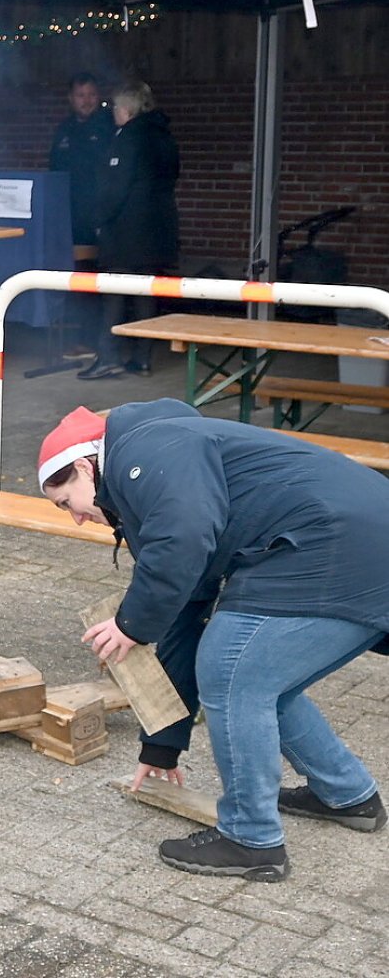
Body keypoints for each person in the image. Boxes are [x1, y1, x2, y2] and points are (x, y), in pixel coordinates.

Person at [40, 400, 389, 882]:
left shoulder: (145, 451)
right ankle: (347, 795)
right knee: (261, 679)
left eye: (66, 502)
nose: (76, 518)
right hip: (356, 542)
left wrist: (130, 624)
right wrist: (162, 745)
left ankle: (251, 840)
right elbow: (186, 613)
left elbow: (181, 541)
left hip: (334, 543)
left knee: (230, 671)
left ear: (84, 467)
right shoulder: (164, 467)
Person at [80, 80, 180, 381]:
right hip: (158, 227)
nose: (113, 112)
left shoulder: (128, 138)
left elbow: (115, 188)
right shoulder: (164, 136)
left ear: (127, 108)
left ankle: (108, 356)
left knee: (114, 292)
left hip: (126, 230)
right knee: (145, 293)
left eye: (115, 106)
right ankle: (142, 359)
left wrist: (99, 219)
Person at [49, 73, 114, 359]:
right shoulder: (64, 130)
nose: (86, 101)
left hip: (100, 218)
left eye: (91, 95)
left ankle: (95, 341)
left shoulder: (109, 127)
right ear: (70, 98)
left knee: (97, 281)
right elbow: (54, 172)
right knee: (76, 279)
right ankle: (81, 339)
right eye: (80, 95)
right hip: (69, 219)